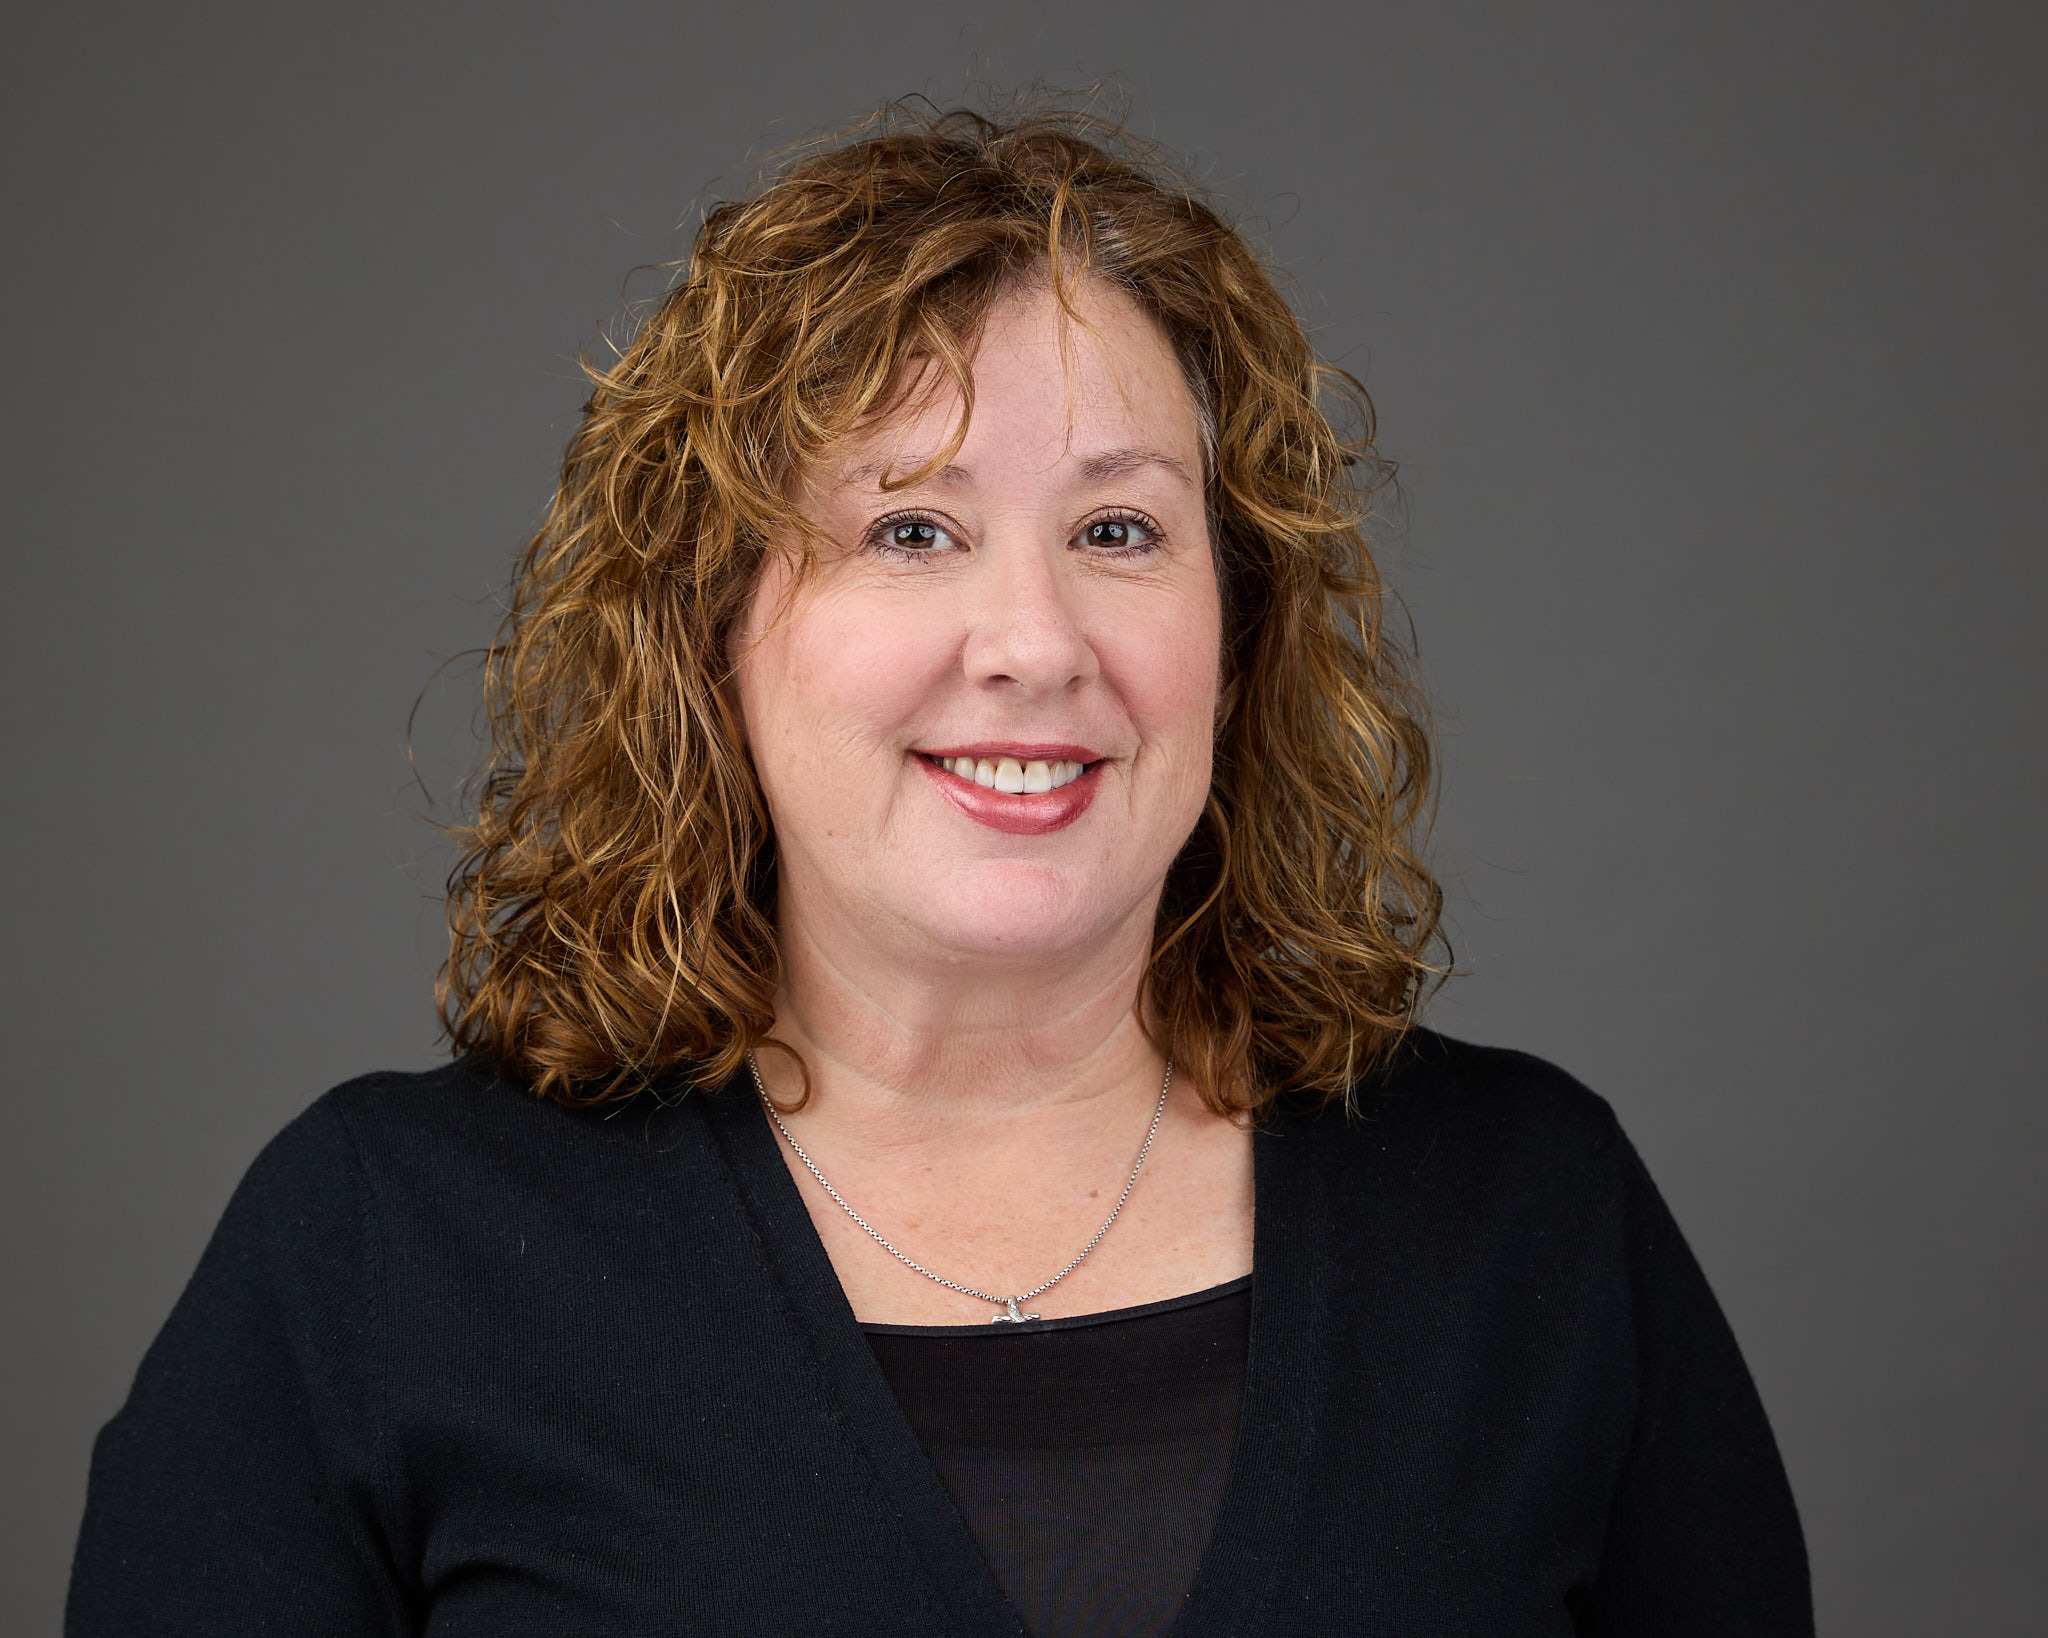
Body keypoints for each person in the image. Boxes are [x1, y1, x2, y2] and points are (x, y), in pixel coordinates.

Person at [67, 104, 1811, 1636]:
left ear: (1239, 627)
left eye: (1118, 530)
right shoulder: (378, 1249)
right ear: (719, 629)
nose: (1033, 640)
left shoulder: (1532, 1217)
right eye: (913, 528)